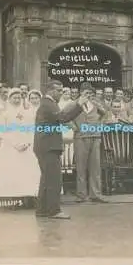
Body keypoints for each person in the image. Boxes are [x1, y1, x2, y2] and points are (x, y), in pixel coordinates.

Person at [33, 80, 88, 219]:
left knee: (46, 179)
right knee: (54, 180)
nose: (61, 93)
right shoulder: (48, 104)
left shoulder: (48, 104)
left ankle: (42, 210)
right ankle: (54, 210)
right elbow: (63, 117)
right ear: (51, 90)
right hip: (49, 146)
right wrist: (79, 104)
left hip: (45, 146)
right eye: (59, 90)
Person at [0, 88, 40, 208]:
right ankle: (14, 200)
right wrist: (15, 144)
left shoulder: (27, 113)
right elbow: (2, 132)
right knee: (12, 172)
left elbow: (31, 129)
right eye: (15, 97)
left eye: (19, 97)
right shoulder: (5, 114)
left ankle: (28, 198)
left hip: (26, 147)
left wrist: (28, 143)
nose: (17, 99)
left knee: (28, 172)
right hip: (10, 147)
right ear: (10, 98)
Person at [71, 82, 107, 203]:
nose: (88, 95)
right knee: (81, 167)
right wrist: (73, 126)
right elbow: (63, 117)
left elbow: (106, 114)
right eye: (86, 93)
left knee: (95, 167)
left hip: (95, 137)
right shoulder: (74, 104)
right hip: (80, 138)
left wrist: (100, 125)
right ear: (81, 93)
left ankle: (95, 194)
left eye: (90, 93)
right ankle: (81, 195)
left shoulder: (96, 103)